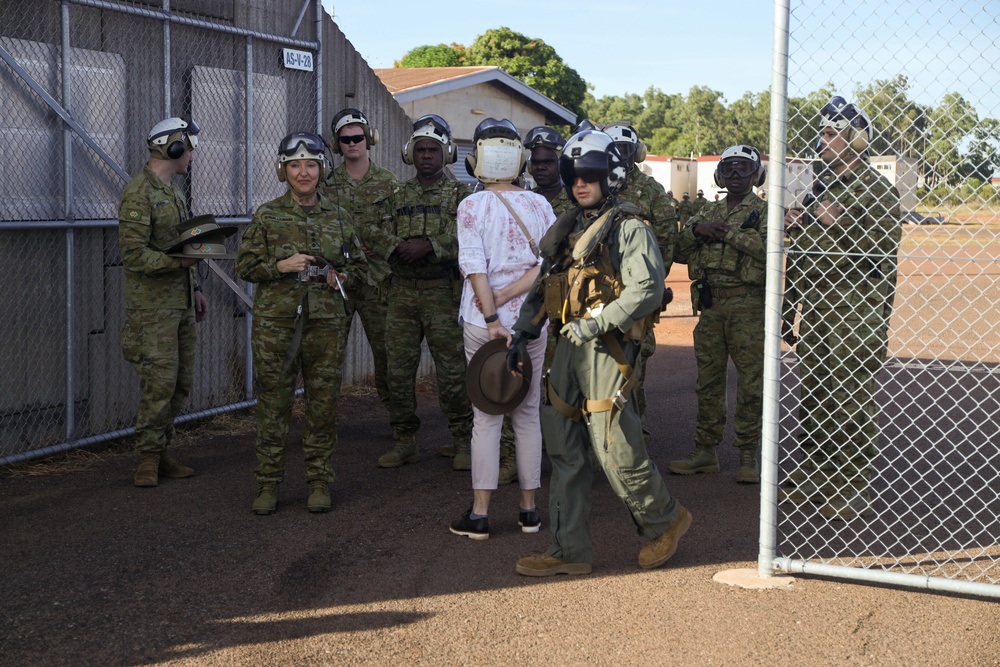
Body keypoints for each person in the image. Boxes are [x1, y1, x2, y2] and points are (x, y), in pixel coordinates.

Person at [510, 128, 691, 576]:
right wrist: (520, 333)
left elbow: (647, 289)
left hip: (606, 347)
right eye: (574, 176)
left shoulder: (630, 228)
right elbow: (546, 284)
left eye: (590, 175)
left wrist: (597, 323)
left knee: (615, 446)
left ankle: (664, 520)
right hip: (568, 347)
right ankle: (568, 548)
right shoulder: (569, 228)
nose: (580, 184)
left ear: (610, 177)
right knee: (564, 449)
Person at [781, 96, 901, 520]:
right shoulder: (823, 190)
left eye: (831, 133)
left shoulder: (876, 190)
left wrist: (837, 221)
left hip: (856, 314)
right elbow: (805, 255)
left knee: (849, 399)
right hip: (817, 309)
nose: (823, 140)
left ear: (855, 139)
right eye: (823, 132)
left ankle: (851, 484)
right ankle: (815, 472)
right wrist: (789, 302)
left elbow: (881, 250)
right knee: (813, 396)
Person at [237, 132, 367, 515]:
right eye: (295, 165)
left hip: (325, 326)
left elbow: (360, 267)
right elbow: (245, 265)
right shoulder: (267, 215)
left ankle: (319, 481)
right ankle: (268, 484)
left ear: (321, 169)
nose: (304, 172)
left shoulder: (339, 217)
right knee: (273, 406)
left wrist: (339, 276)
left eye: (311, 164)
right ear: (284, 170)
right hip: (276, 327)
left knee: (323, 406)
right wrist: (280, 266)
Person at [448, 118, 555, 540]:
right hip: (531, 323)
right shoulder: (540, 205)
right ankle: (529, 511)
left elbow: (474, 267)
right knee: (527, 414)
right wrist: (513, 297)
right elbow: (548, 266)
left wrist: (493, 316)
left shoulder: (471, 206)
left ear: (477, 160)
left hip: (482, 323)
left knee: (486, 417)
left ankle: (479, 514)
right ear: (519, 159)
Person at [360, 114, 474, 470]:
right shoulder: (397, 193)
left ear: (447, 154)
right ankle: (404, 440)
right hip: (402, 296)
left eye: (433, 150)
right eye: (421, 149)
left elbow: (472, 236)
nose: (426, 155)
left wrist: (431, 246)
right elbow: (366, 228)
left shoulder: (463, 197)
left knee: (452, 372)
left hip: (443, 295)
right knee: (397, 371)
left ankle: (462, 441)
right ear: (411, 154)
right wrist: (398, 246)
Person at [669, 145, 768, 483]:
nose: (736, 175)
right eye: (730, 169)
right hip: (711, 308)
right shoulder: (704, 211)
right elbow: (677, 249)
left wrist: (730, 234)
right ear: (720, 175)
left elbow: (771, 252)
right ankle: (705, 451)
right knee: (708, 381)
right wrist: (698, 231)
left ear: (756, 175)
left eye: (743, 169)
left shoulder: (766, 212)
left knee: (752, 383)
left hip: (748, 307)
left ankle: (748, 455)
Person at [118, 116, 207, 488]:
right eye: (190, 146)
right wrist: (179, 263)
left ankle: (163, 451)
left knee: (180, 383)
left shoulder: (174, 191)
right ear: (172, 147)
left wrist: (196, 287)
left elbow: (186, 245)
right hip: (152, 310)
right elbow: (134, 256)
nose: (193, 155)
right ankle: (148, 460)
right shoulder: (139, 193)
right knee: (159, 384)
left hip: (181, 303)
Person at [602, 120, 679, 446]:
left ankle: (635, 438)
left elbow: (666, 241)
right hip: (596, 292)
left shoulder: (651, 191)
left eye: (625, 148)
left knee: (633, 369)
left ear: (636, 153)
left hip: (634, 296)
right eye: (613, 148)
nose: (619, 154)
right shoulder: (593, 182)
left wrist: (649, 285)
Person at [320, 108, 396, 412]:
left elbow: (397, 231)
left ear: (369, 139)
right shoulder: (326, 184)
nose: (352, 143)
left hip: (377, 280)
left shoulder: (389, 183)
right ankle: (325, 420)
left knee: (386, 353)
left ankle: (399, 423)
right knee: (328, 355)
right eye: (345, 139)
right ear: (337, 144)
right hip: (336, 279)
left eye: (358, 137)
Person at [524, 126, 573, 217]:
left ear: (561, 165)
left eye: (547, 162)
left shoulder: (574, 199)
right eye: (535, 162)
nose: (540, 167)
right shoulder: (525, 199)